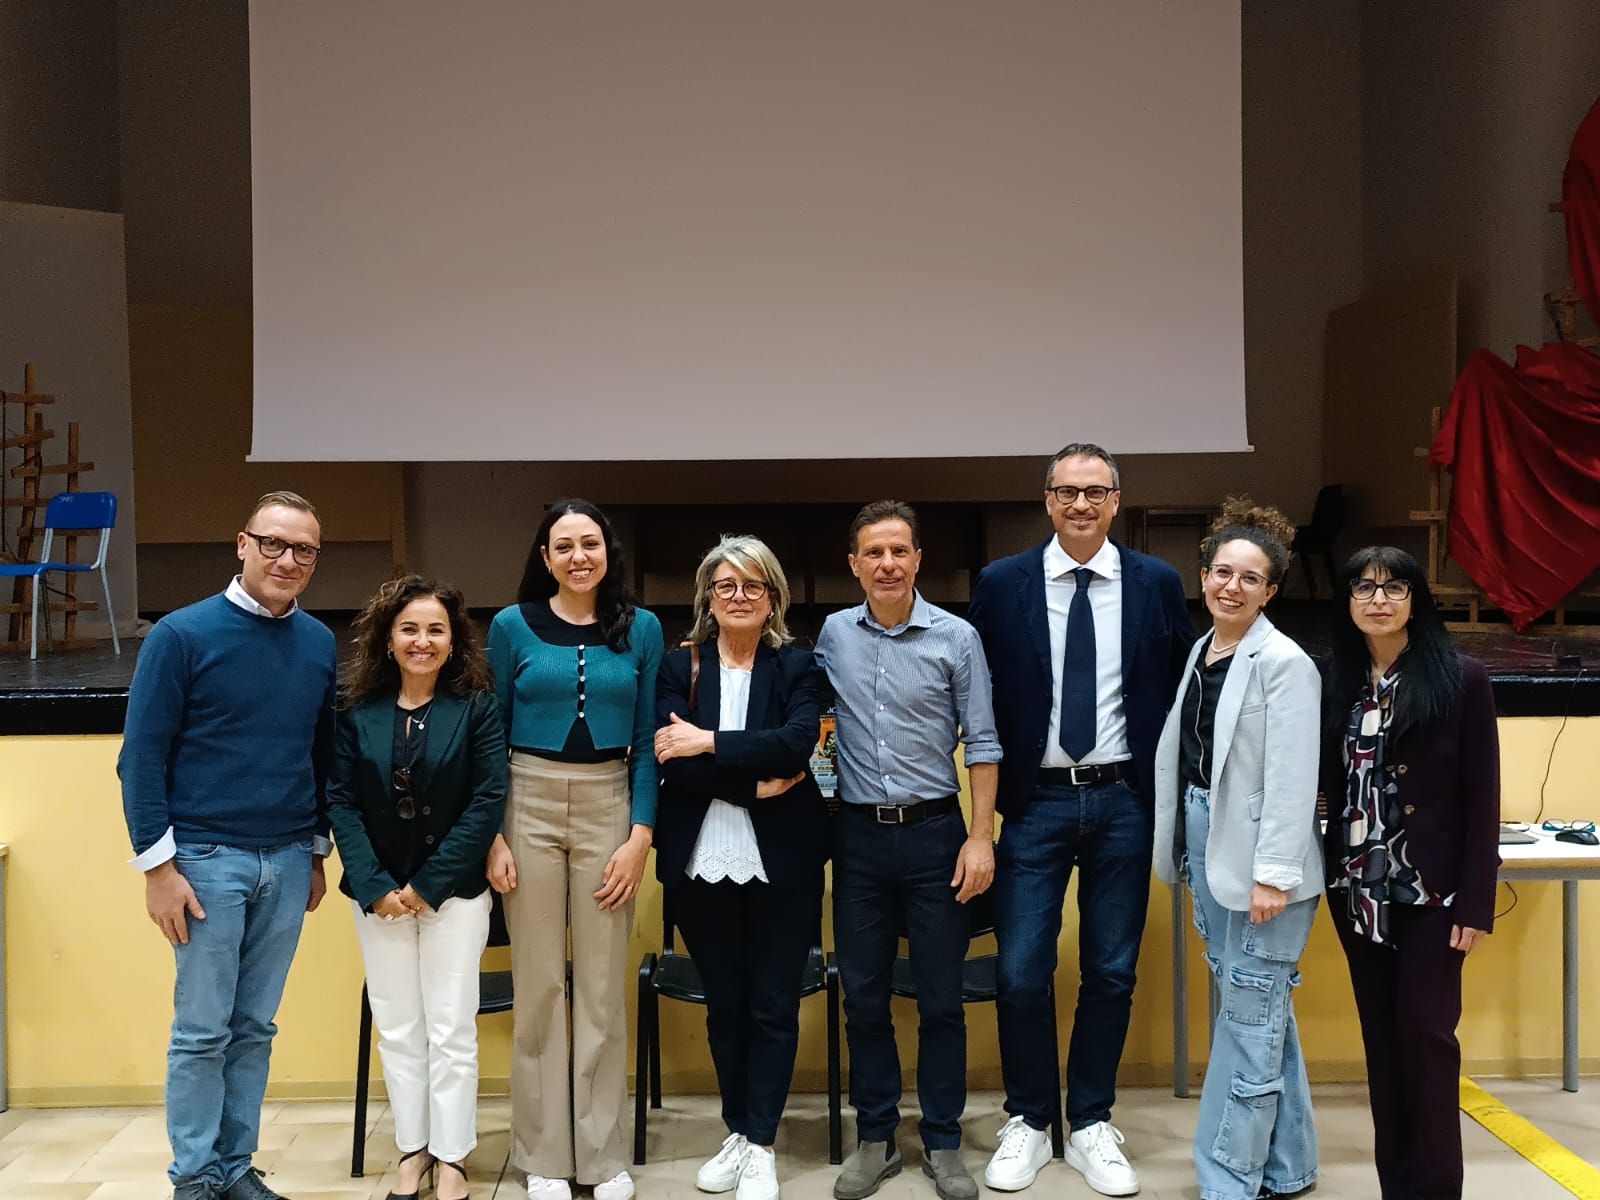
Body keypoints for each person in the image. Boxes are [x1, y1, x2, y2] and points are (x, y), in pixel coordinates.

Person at [966, 442, 1194, 1197]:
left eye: (1096, 493)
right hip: (1036, 802)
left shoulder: (1157, 583)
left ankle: (1091, 1119)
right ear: (1047, 500)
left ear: (1117, 500)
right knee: (1022, 971)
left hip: (1126, 800)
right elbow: (978, 694)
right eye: (1068, 492)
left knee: (1113, 971)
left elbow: (1177, 692)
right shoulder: (1003, 584)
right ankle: (1031, 1120)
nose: (1081, 506)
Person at [118, 490, 337, 1200]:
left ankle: (236, 1169)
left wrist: (314, 849)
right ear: (241, 545)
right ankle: (194, 1178)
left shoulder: (319, 643)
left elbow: (320, 751)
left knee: (253, 1029)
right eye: (273, 543)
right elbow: (141, 758)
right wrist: (158, 868)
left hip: (286, 857)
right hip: (206, 863)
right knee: (202, 1032)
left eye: (303, 549)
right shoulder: (180, 636)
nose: (287, 559)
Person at [814, 500, 1001, 1200]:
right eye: (874, 553)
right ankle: (876, 1138)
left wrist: (980, 838)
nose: (887, 564)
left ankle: (945, 1143)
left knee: (941, 1000)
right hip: (858, 838)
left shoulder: (957, 638)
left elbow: (983, 743)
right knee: (862, 996)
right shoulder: (832, 636)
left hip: (935, 836)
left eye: (900, 551)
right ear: (856, 565)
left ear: (918, 560)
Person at [485, 499, 664, 1200]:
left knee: (598, 989)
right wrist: (494, 831)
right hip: (526, 798)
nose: (578, 556)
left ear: (607, 552)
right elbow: (490, 734)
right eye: (564, 546)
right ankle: (543, 1156)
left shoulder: (641, 628)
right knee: (537, 986)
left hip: (611, 803)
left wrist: (640, 835)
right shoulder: (509, 626)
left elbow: (650, 741)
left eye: (589, 543)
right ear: (545, 556)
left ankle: (601, 1154)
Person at [1151, 500, 1323, 1200]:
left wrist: (1274, 876)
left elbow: (1291, 777)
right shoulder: (1204, 647)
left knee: (1249, 1024)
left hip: (1263, 872)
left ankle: (1231, 1180)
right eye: (1222, 571)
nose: (1232, 586)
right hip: (1211, 849)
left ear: (1271, 590)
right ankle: (1292, 1167)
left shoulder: (1285, 661)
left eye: (1250, 578)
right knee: (1259, 1013)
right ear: (1203, 575)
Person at [652, 536, 829, 1200]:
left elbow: (795, 744)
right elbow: (671, 758)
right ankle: (737, 1129)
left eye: (753, 586)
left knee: (775, 1005)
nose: (739, 597)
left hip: (783, 861)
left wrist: (709, 742)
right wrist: (750, 782)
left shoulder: (797, 665)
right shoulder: (681, 666)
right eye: (725, 586)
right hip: (701, 861)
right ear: (708, 598)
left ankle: (761, 1143)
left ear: (774, 597)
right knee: (725, 1006)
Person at [1321, 547, 1500, 1200]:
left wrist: (1475, 902)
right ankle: (1398, 1185)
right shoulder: (1335, 682)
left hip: (1431, 894)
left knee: (1426, 1039)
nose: (1378, 599)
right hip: (1356, 893)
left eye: (1393, 587)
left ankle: (1436, 1189)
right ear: (1347, 603)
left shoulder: (1463, 679)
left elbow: (1484, 798)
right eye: (1363, 587)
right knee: (1383, 1045)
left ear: (1416, 599)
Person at [326, 576, 507, 1200]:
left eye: (436, 629)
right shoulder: (355, 709)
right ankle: (414, 1150)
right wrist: (378, 887)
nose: (422, 641)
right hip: (377, 900)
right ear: (389, 638)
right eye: (409, 629)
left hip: (453, 894)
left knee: (452, 1027)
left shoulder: (478, 706)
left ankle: (453, 1157)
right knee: (400, 1028)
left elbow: (488, 801)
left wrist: (426, 885)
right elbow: (341, 802)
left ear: (454, 641)